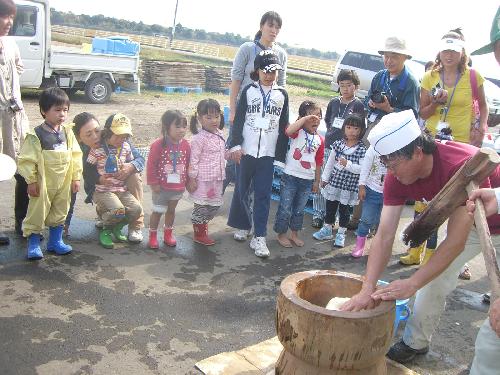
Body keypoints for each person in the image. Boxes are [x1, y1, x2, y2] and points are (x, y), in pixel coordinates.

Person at [340, 110, 500, 375]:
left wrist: (411, 283)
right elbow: (384, 234)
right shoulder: (397, 176)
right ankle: (415, 342)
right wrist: (367, 287)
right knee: (432, 282)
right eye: (386, 165)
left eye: (393, 164)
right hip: (473, 223)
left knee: (495, 322)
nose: (389, 172)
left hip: (491, 217)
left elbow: (454, 243)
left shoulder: (462, 166)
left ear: (416, 151)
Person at [227, 50, 289, 258]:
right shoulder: (248, 91)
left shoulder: (282, 95)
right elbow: (239, 119)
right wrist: (235, 144)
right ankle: (243, 225)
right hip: (247, 151)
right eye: (266, 71)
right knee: (242, 190)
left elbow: (283, 127)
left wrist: (280, 157)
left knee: (263, 195)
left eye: (274, 72)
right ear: (258, 70)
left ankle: (260, 236)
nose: (270, 75)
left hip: (268, 155)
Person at [224, 10, 287, 193]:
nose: (273, 30)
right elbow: (236, 80)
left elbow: (282, 86)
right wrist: (234, 109)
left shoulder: (281, 54)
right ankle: (212, 198)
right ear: (261, 27)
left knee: (255, 158)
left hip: (266, 117)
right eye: (270, 25)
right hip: (245, 111)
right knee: (233, 153)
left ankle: (245, 202)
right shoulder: (247, 49)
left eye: (277, 27)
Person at [17, 88, 82, 260]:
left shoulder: (68, 132)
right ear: (44, 111)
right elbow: (27, 159)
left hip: (64, 181)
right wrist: (31, 181)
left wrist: (76, 177)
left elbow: (76, 155)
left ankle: (55, 241)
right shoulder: (36, 135)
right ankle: (33, 244)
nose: (62, 114)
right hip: (43, 182)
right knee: (37, 211)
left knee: (61, 209)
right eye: (57, 110)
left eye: (65, 110)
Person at [66, 112, 145, 242]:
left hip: (119, 185)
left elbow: (140, 159)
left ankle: (135, 226)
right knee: (116, 209)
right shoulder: (76, 149)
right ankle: (106, 220)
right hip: (98, 187)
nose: (96, 137)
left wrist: (131, 166)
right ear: (79, 138)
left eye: (97, 131)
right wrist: (66, 223)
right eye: (88, 134)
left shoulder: (119, 138)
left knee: (134, 175)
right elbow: (75, 182)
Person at [311, 69, 365, 229]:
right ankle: (318, 214)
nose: (345, 89)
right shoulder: (334, 102)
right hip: (329, 146)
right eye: (342, 86)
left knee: (339, 182)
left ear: (356, 87)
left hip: (346, 150)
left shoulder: (358, 105)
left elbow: (360, 127)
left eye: (349, 85)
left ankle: (332, 217)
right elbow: (328, 120)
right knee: (323, 179)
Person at [420, 29, 488, 146]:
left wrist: (481, 130)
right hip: (431, 139)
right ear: (440, 52)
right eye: (445, 50)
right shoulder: (429, 77)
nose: (449, 55)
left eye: (454, 50)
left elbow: (483, 105)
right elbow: (423, 114)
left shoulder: (473, 75)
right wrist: (435, 103)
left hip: (462, 141)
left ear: (462, 52)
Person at [87, 113, 142, 249]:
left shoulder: (126, 147)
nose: (121, 139)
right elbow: (87, 169)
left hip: (121, 189)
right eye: (117, 135)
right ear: (107, 133)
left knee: (136, 209)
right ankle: (106, 230)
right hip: (104, 191)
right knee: (118, 210)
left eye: (124, 136)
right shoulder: (97, 150)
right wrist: (99, 179)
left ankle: (117, 227)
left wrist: (129, 166)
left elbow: (136, 160)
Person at [273, 100, 324, 248]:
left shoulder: (320, 139)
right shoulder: (298, 132)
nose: (315, 119)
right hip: (290, 177)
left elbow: (319, 162)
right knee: (285, 207)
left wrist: (316, 181)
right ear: (302, 118)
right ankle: (281, 234)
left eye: (318, 116)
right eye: (311, 116)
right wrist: (303, 120)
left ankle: (294, 234)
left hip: (307, 180)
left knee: (299, 209)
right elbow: (288, 131)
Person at [312, 113, 366, 248]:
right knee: (330, 207)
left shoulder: (361, 149)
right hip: (334, 183)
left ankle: (341, 233)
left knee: (345, 211)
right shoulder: (338, 145)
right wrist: (325, 178)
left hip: (349, 187)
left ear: (361, 131)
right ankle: (327, 229)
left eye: (355, 128)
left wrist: (348, 164)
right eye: (348, 127)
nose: (351, 131)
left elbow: (362, 169)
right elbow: (330, 163)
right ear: (344, 129)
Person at [0, 0, 30, 243]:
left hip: (14, 118)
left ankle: (23, 221)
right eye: (4, 16)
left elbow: (18, 68)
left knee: (23, 169)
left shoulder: (11, 44)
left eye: (11, 17)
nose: (9, 22)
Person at [146, 110, 190, 249]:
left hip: (177, 187)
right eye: (177, 126)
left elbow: (188, 164)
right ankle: (152, 236)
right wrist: (154, 183)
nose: (182, 130)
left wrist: (188, 182)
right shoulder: (158, 145)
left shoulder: (186, 145)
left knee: (171, 211)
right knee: (157, 211)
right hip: (161, 187)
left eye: (184, 126)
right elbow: (151, 165)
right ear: (166, 127)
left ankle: (167, 234)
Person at [364, 36, 420, 141]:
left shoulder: (411, 82)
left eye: (394, 57)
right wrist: (370, 103)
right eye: (386, 56)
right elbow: (367, 98)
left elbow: (411, 115)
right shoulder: (379, 76)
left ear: (405, 57)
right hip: (373, 129)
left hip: (394, 136)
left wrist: (389, 109)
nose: (389, 61)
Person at [188, 99, 226, 246]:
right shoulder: (198, 139)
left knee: (214, 206)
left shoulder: (221, 134)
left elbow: (223, 153)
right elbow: (193, 161)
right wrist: (191, 179)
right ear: (199, 118)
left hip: (217, 179)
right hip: (203, 180)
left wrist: (233, 154)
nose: (214, 120)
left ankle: (199, 223)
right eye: (208, 117)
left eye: (216, 116)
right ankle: (200, 233)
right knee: (202, 207)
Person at [353, 145, 387, 257]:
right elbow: (365, 168)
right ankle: (359, 246)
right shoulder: (373, 148)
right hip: (371, 190)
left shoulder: (399, 147)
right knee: (366, 219)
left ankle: (377, 248)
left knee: (382, 222)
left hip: (390, 193)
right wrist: (361, 186)